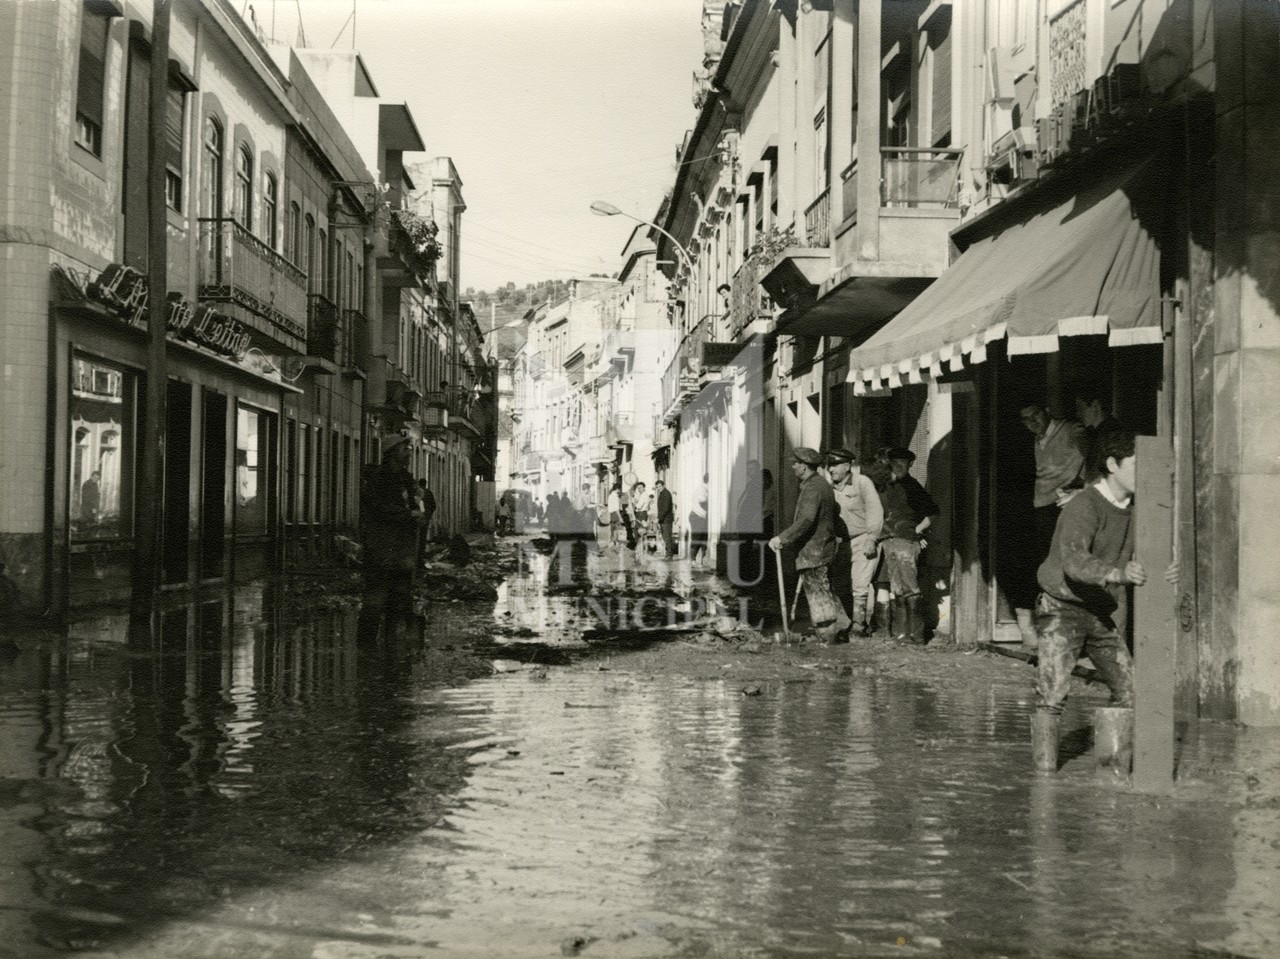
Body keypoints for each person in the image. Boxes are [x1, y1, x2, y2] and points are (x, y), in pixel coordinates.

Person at [1031, 427, 1177, 771]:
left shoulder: (1143, 508)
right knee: (1052, 695)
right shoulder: (1084, 505)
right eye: (1136, 466)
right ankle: (1043, 776)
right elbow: (1073, 559)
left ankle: (1111, 770)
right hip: (1062, 607)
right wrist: (1116, 573)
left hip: (1102, 609)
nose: (1145, 476)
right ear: (1112, 464)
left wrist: (1170, 568)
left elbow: (1157, 554)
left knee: (1130, 692)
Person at [1016, 401, 1085, 648]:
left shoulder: (1071, 430)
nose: (1032, 423)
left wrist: (1081, 486)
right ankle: (1033, 626)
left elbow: (1091, 455)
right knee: (1040, 561)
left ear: (1046, 411)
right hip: (1041, 505)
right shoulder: (1035, 438)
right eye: (1025, 420)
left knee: (1065, 562)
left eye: (1035, 415)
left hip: (1065, 504)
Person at [769, 448, 850, 643]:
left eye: (795, 463)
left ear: (804, 467)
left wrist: (782, 538)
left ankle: (827, 638)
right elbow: (834, 510)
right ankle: (842, 627)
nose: (793, 466)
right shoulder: (822, 485)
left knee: (817, 595)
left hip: (814, 550)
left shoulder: (813, 488)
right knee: (825, 589)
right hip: (824, 547)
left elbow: (806, 519)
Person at [359, 433, 423, 647]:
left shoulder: (406, 479)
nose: (409, 453)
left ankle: (391, 647)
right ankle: (365, 650)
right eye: (405, 449)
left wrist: (420, 509)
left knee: (400, 600)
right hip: (381, 548)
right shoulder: (379, 479)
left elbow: (416, 506)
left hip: (403, 549)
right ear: (393, 451)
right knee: (375, 601)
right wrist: (407, 515)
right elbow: (377, 509)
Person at [876, 447, 940, 644]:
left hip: (906, 541)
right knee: (897, 588)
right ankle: (901, 634)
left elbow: (933, 514)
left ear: (910, 465)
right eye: (895, 464)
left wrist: (917, 531)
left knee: (910, 588)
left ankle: (917, 635)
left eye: (902, 464)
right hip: (890, 540)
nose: (899, 467)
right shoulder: (889, 486)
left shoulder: (913, 487)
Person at [826, 448, 884, 638]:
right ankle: (853, 621)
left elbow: (875, 511)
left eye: (835, 465)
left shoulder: (862, 482)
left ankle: (859, 626)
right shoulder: (830, 488)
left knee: (859, 584)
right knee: (841, 584)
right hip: (843, 542)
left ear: (847, 465)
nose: (831, 469)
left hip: (864, 538)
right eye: (829, 465)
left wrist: (872, 539)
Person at [1074, 387, 1122, 486]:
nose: (1078, 414)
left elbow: (1100, 477)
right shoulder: (1096, 434)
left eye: (1081, 408)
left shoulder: (1111, 434)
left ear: (1096, 406)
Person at [689, 473, 710, 569]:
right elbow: (702, 500)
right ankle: (692, 560)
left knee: (702, 538)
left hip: (699, 516)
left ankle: (700, 560)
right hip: (698, 516)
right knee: (697, 537)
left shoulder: (704, 488)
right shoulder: (703, 489)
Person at [415, 479, 437, 567]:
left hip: (417, 518)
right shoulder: (429, 493)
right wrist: (429, 515)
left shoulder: (417, 493)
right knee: (423, 537)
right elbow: (433, 506)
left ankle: (417, 557)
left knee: (416, 537)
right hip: (425, 518)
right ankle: (421, 556)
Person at [655, 480, 676, 559]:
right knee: (665, 537)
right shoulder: (662, 493)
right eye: (657, 487)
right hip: (663, 519)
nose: (658, 488)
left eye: (660, 486)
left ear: (663, 485)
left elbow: (665, 508)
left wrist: (659, 518)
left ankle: (669, 555)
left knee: (667, 537)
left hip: (666, 519)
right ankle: (668, 554)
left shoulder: (666, 494)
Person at [630, 482, 651, 556]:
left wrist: (634, 502)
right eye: (638, 488)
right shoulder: (641, 495)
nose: (639, 489)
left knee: (639, 531)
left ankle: (639, 549)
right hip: (641, 513)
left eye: (641, 487)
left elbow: (638, 506)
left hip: (641, 514)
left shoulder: (644, 495)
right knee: (639, 531)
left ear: (644, 487)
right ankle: (639, 549)